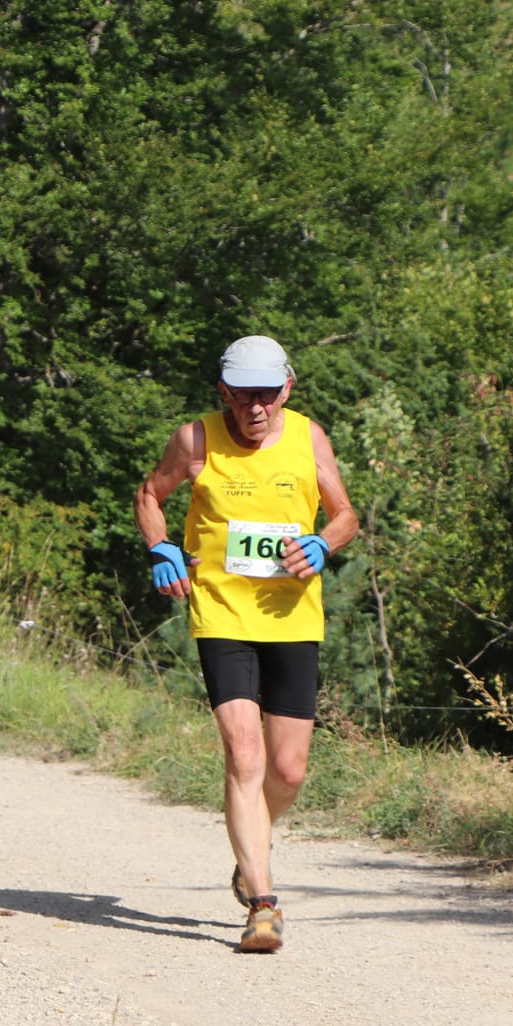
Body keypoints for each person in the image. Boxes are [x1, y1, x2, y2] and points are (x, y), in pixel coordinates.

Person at [133, 335, 358, 953]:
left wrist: (323, 544)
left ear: (287, 387)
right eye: (241, 396)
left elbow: (345, 515)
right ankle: (262, 904)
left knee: (288, 771)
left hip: (292, 618)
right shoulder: (196, 440)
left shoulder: (308, 437)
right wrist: (161, 547)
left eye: (266, 394)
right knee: (245, 756)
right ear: (223, 393)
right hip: (223, 614)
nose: (254, 409)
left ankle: (247, 849)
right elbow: (150, 494)